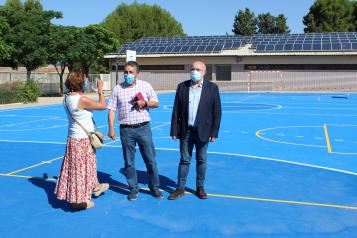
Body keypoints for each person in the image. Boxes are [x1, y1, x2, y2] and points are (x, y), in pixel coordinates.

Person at [107, 61, 162, 201]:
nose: (128, 74)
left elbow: (156, 103)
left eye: (131, 72)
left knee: (150, 160)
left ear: (137, 73)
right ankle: (133, 189)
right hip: (126, 130)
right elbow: (112, 109)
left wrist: (145, 103)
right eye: (126, 72)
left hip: (143, 128)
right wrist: (111, 129)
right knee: (129, 162)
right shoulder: (117, 89)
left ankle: (154, 188)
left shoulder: (145, 85)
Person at [55, 70, 109, 209]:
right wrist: (100, 90)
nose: (86, 81)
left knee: (77, 168)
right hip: (83, 140)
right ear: (80, 82)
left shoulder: (67, 98)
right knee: (81, 170)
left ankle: (95, 186)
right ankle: (79, 201)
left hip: (73, 138)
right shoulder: (81, 100)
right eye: (84, 80)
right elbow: (103, 106)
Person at [169, 60, 222, 200]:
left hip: (203, 131)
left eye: (198, 69)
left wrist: (214, 132)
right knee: (184, 160)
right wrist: (174, 129)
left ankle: (200, 187)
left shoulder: (212, 88)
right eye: (193, 69)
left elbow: (217, 112)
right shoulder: (182, 87)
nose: (195, 71)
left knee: (201, 160)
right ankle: (180, 188)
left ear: (204, 72)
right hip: (186, 131)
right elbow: (176, 111)